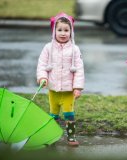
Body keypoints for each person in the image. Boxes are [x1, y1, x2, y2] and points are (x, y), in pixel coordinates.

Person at [36, 12, 84, 146]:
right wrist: (42, 78)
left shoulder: (74, 49)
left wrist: (77, 87)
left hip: (69, 91)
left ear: (71, 32)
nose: (63, 33)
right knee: (53, 115)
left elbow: (79, 69)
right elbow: (42, 64)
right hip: (53, 89)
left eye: (66, 30)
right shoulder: (48, 48)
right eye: (60, 30)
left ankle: (71, 137)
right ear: (54, 31)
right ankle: (51, 136)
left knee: (69, 114)